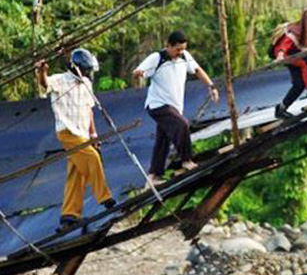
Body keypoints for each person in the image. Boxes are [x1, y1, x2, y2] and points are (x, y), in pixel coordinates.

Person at [37, 48, 115, 229]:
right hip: (67, 131)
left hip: (83, 133)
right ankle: (104, 197)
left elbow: (89, 111)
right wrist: (42, 70)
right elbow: (44, 84)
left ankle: (69, 215)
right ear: (76, 67)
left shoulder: (87, 83)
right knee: (92, 158)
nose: (88, 73)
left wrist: (93, 135)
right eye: (86, 69)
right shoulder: (60, 80)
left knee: (77, 173)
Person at [133, 30, 219, 186]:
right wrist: (139, 74)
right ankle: (186, 160)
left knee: (162, 140)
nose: (180, 52)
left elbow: (198, 70)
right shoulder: (157, 58)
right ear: (168, 46)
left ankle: (153, 177)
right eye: (177, 49)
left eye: (183, 49)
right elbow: (139, 71)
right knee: (182, 124)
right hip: (158, 104)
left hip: (175, 106)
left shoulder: (185, 57)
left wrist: (211, 86)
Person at [271, 9, 307, 119]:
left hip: (295, 54)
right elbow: (284, 46)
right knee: (306, 62)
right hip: (285, 54)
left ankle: (281, 109)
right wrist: (280, 56)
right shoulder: (296, 31)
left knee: (299, 85)